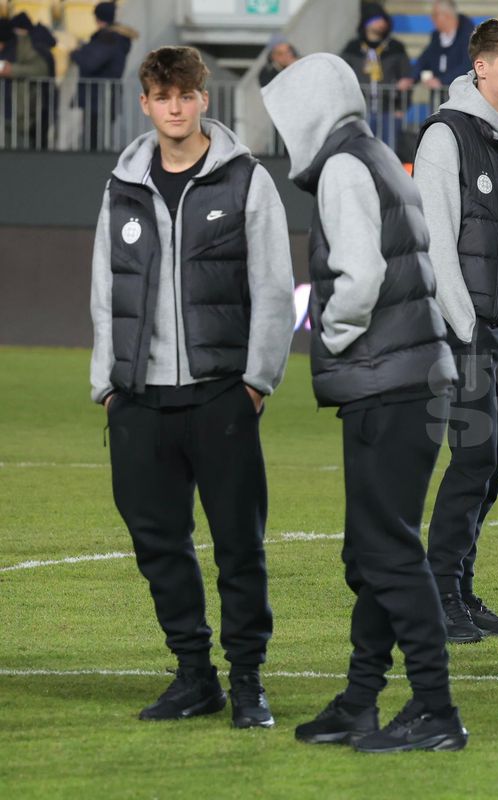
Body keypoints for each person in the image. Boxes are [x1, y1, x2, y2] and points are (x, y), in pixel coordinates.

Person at [263, 52, 468, 754]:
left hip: (389, 383)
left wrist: (335, 335)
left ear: (309, 108)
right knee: (376, 549)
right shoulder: (378, 156)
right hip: (412, 380)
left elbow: (360, 278)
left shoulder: (345, 168)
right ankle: (359, 702)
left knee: (386, 552)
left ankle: (436, 710)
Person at [89, 46, 294, 727]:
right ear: (145, 104)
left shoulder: (244, 180)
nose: (174, 107)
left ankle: (247, 682)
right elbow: (103, 292)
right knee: (158, 543)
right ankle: (193, 675)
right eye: (161, 96)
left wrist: (256, 382)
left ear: (204, 99)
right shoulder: (122, 185)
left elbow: (272, 288)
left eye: (185, 95)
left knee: (239, 543)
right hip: (139, 400)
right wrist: (109, 388)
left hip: (220, 394)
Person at [413, 19, 498, 644]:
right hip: (475, 337)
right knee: (471, 464)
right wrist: (471, 332)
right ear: (482, 68)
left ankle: (461, 588)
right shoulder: (447, 136)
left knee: (491, 472)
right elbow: (436, 245)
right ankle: (437, 595)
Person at [340, 2, 413, 146]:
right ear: (367, 22)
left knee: (389, 151)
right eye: (376, 19)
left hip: (389, 111)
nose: (382, 23)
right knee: (362, 148)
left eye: (383, 19)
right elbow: (342, 76)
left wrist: (400, 108)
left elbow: (407, 78)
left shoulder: (396, 48)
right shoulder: (352, 48)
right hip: (361, 111)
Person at [71, 2, 138, 151]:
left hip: (99, 97)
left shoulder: (108, 38)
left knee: (95, 141)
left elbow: (91, 62)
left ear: (97, 18)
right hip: (103, 96)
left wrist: (75, 53)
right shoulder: (117, 37)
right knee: (98, 138)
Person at [0, 12, 55, 149]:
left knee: (20, 159)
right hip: (7, 114)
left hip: (20, 115)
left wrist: (12, 70)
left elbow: (41, 69)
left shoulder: (25, 46)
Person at [402, 0, 475, 90]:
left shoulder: (469, 36)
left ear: (447, 16)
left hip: (461, 94)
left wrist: (442, 81)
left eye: (435, 15)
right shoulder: (436, 37)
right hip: (440, 96)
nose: (431, 19)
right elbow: (425, 59)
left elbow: (468, 66)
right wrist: (411, 78)